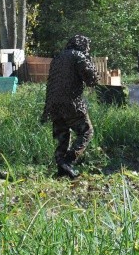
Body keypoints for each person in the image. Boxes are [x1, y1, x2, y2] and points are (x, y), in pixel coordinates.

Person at [40, 35, 99, 178]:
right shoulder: (78, 56)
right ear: (82, 45)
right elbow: (92, 80)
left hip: (53, 104)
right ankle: (68, 161)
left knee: (63, 136)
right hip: (71, 102)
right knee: (86, 132)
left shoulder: (58, 57)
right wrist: (91, 65)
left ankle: (61, 168)